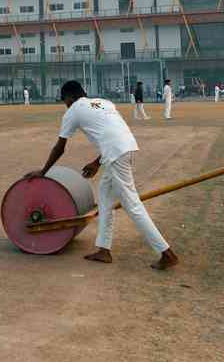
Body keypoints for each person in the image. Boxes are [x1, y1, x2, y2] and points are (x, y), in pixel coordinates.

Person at [29, 79, 179, 269]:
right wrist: (97, 163)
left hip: (116, 154)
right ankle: (103, 250)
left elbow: (60, 147)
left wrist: (43, 172)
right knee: (105, 196)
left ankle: (166, 253)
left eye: (64, 100)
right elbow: (112, 134)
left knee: (132, 205)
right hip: (125, 148)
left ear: (69, 97)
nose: (65, 104)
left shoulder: (73, 110)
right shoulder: (104, 102)